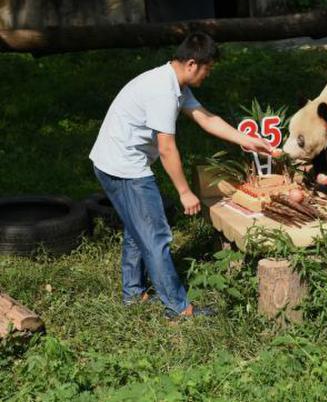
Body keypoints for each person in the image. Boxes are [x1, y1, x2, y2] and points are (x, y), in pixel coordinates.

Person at [89, 32, 272, 318]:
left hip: (113, 161)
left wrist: (245, 140)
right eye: (207, 69)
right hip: (123, 168)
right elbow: (166, 147)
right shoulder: (162, 91)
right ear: (191, 64)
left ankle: (133, 294)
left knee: (139, 230)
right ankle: (178, 308)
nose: (207, 75)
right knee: (156, 235)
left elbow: (205, 117)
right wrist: (185, 192)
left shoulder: (173, 84)